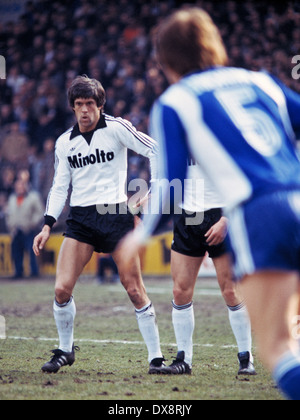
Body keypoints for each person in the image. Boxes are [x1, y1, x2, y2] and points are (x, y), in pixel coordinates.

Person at [118, 8, 300, 399]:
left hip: (256, 213)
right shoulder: (260, 82)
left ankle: (248, 356)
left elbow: (170, 180)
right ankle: (186, 354)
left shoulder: (175, 102)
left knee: (280, 347)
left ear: (165, 61)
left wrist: (143, 233)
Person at [33, 75, 164, 374]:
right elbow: (58, 186)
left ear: (100, 105)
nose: (84, 110)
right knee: (61, 289)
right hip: (80, 220)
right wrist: (46, 225)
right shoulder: (64, 143)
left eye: (90, 104)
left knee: (133, 288)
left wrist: (153, 189)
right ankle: (65, 350)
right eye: (78, 105)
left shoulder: (117, 128)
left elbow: (155, 149)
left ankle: (156, 357)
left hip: (116, 216)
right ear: (72, 107)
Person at [166, 162, 255, 375]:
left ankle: (246, 357)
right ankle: (183, 359)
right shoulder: (178, 132)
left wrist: (226, 220)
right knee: (180, 291)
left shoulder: (220, 131)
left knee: (231, 290)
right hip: (186, 216)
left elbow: (244, 174)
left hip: (220, 214)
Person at [6, 178, 44, 279]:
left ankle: (34, 273)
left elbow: (39, 212)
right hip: (16, 230)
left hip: (29, 229)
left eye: (22, 185)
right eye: (18, 186)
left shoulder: (33, 197)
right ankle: (18, 272)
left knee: (32, 251)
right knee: (16, 252)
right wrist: (11, 225)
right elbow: (8, 214)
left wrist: (33, 223)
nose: (20, 188)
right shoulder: (12, 198)